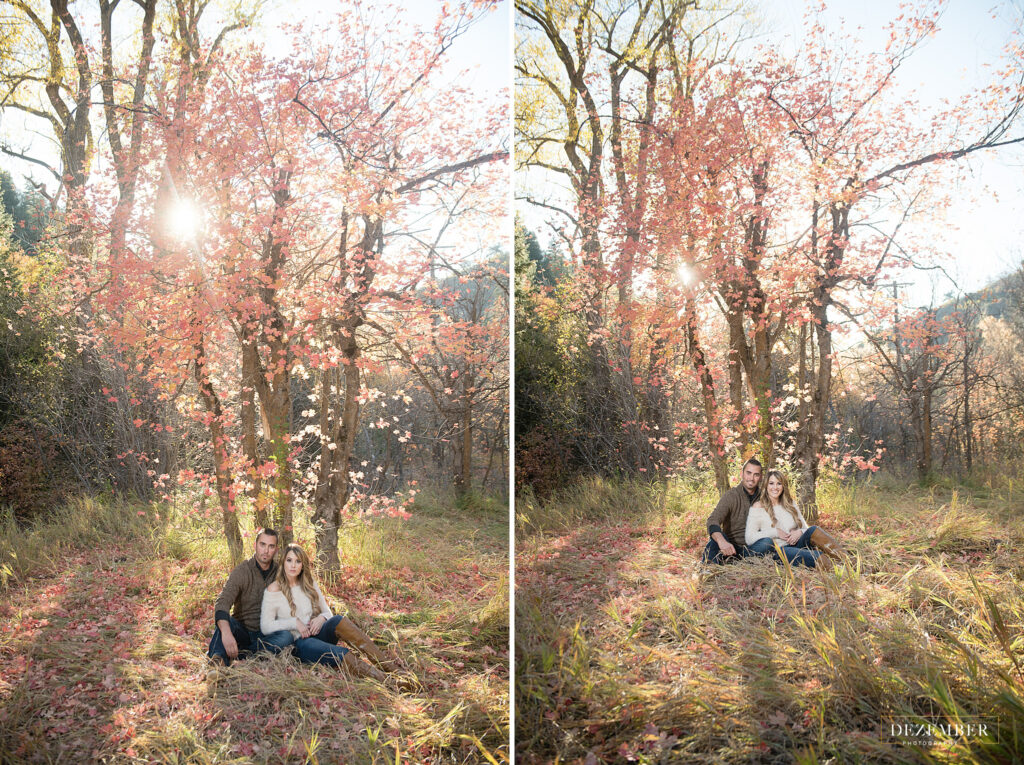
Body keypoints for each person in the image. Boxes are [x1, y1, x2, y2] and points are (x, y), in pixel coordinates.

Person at [260, 542, 397, 681]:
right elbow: (266, 626)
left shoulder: (309, 583)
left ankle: (394, 670)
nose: (293, 565)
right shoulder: (274, 589)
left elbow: (327, 612)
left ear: (303, 565)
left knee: (338, 620)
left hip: (316, 634)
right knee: (341, 652)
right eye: (289, 560)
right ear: (283, 562)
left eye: (298, 561)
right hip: (299, 645)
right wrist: (294, 623)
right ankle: (388, 682)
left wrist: (322, 619)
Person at [207, 528, 294, 666]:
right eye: (262, 545)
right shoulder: (242, 571)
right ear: (255, 545)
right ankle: (217, 662)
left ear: (276, 549)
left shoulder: (281, 573)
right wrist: (227, 634)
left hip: (267, 634)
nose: (266, 551)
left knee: (286, 636)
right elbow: (222, 603)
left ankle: (245, 655)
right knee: (225, 622)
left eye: (271, 546)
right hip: (243, 631)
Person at [744, 469, 845, 567]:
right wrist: (775, 532)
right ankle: (838, 571)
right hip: (780, 551)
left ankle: (849, 561)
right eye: (771, 483)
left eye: (779, 483)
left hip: (798, 544)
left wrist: (800, 532)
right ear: (766, 485)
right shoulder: (758, 507)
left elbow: (806, 528)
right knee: (817, 556)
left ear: (783, 486)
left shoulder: (790, 503)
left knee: (814, 530)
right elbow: (749, 538)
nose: (775, 487)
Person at [702, 458, 764, 564]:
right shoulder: (731, 496)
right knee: (717, 538)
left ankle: (748, 563)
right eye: (748, 473)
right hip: (731, 549)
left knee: (767, 542)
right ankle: (707, 569)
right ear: (742, 474)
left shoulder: (766, 497)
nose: (751, 478)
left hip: (754, 549)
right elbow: (713, 520)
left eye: (756, 475)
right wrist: (722, 541)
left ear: (760, 477)